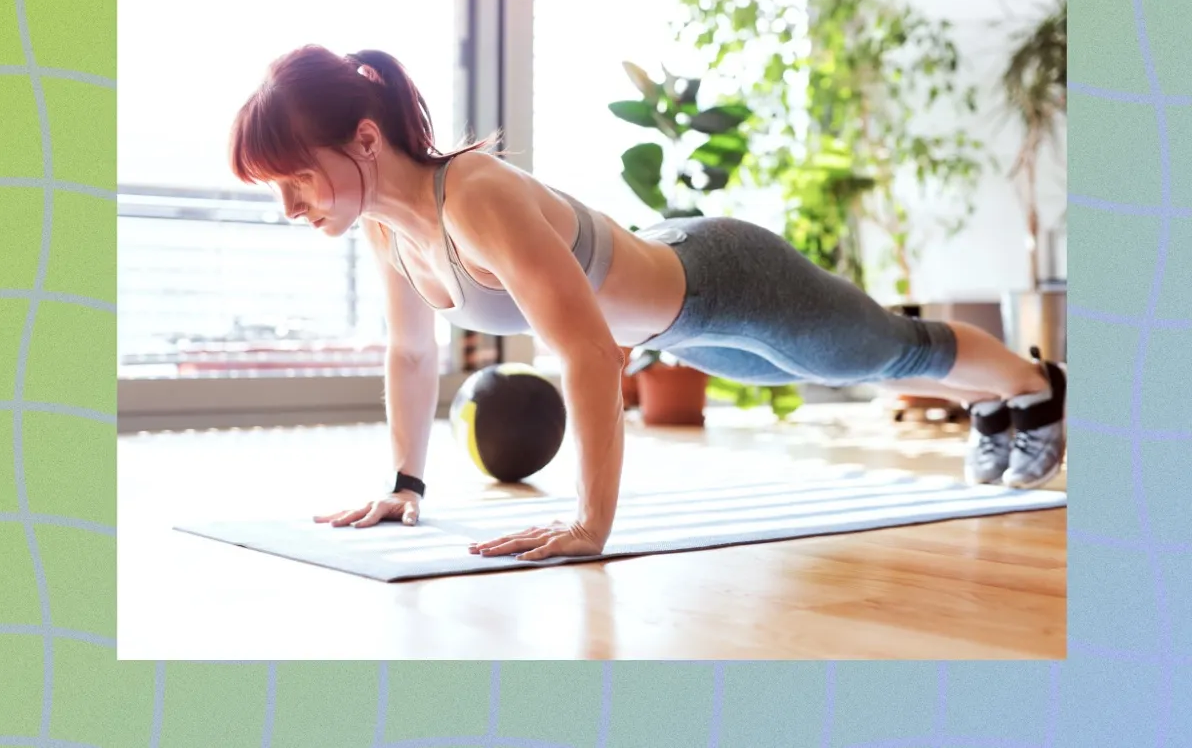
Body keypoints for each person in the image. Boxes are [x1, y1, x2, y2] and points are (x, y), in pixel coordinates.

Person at [227, 44, 1067, 562]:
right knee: (867, 371)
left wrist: (591, 523)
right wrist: (406, 482)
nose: (291, 206)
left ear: (365, 139)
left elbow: (591, 352)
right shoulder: (388, 230)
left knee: (888, 351)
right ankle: (995, 402)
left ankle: (1035, 387)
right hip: (682, 326)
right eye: (277, 189)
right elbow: (411, 354)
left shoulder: (473, 196)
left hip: (724, 279)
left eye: (297, 177)